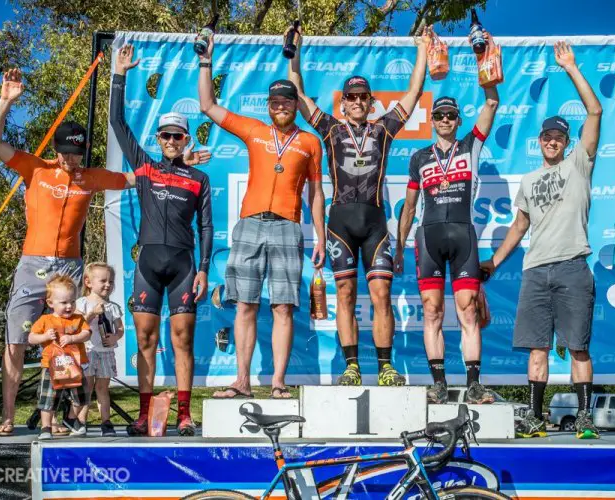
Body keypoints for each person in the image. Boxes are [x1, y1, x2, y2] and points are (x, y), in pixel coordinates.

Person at [0, 68, 134, 437]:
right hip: (32, 264)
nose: (71, 161)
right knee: (16, 340)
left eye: (77, 154)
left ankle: (64, 418)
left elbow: (133, 178)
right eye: (65, 154)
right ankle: (7, 416)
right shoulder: (35, 168)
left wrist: (178, 165)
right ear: (56, 150)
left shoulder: (91, 176)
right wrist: (5, 101)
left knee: (74, 340)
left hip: (70, 266)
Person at [287, 26, 432, 386]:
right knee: (347, 294)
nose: (356, 101)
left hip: (374, 224)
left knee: (382, 293)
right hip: (340, 224)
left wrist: (423, 50)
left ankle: (385, 366)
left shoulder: (384, 129)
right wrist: (296, 52)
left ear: (370, 102)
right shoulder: (331, 129)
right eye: (351, 96)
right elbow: (298, 93)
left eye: (362, 96)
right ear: (343, 102)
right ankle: (352, 365)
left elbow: (414, 93)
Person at [481, 41, 602, 439]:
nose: (553, 141)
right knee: (537, 349)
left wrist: (570, 67)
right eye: (547, 136)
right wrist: (494, 263)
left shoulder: (579, 164)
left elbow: (594, 111)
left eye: (559, 137)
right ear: (539, 141)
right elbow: (518, 228)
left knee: (578, 347)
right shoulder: (529, 181)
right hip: (535, 270)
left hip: (572, 266)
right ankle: (535, 417)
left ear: (567, 142)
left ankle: (584, 418)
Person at [197, 33, 326, 400]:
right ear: (268, 105)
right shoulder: (253, 130)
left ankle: (279, 382)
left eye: (288, 100)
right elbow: (207, 105)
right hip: (251, 223)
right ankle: (241, 381)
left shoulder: (310, 142)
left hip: (287, 226)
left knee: (284, 306)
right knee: (246, 304)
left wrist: (321, 235)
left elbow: (316, 194)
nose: (281, 105)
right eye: (275, 101)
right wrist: (205, 61)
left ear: (296, 105)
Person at [111, 45, 213, 436]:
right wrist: (120, 74)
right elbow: (117, 122)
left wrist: (204, 269)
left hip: (185, 265)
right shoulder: (144, 167)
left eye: (178, 136)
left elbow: (207, 227)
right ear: (159, 138)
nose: (172, 141)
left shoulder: (199, 179)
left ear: (186, 139)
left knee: (183, 339)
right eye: (167, 135)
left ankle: (184, 414)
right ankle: (143, 414)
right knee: (146, 341)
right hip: (149, 265)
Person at [395, 31, 500, 404]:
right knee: (432, 311)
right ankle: (438, 384)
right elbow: (408, 207)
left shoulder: (471, 145)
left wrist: (482, 56)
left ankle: (473, 384)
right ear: (433, 121)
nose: (444, 119)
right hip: (428, 238)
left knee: (468, 309)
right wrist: (398, 246)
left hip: (463, 235)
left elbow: (491, 102)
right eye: (438, 115)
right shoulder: (419, 158)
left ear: (457, 120)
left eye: (450, 115)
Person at [28, 275, 91, 440]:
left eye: (72, 301)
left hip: (75, 366)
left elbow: (86, 333)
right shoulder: (45, 320)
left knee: (81, 397)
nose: (69, 306)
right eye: (64, 303)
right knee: (48, 398)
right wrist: (44, 337)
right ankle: (46, 428)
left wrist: (72, 338)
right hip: (51, 366)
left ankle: (71, 418)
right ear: (50, 303)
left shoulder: (78, 319)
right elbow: (31, 338)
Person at [72, 262, 124, 437]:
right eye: (103, 281)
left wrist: (115, 336)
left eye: (110, 281)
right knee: (86, 387)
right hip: (87, 351)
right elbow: (77, 327)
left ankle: (106, 422)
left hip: (106, 353)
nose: (108, 285)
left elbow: (120, 328)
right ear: (88, 282)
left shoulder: (113, 307)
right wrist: (92, 313)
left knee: (102, 388)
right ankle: (80, 422)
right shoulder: (81, 303)